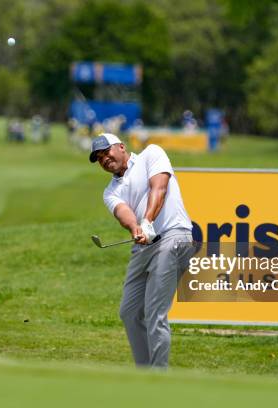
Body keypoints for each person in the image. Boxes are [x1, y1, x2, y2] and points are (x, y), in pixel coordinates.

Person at [89, 133, 195, 368]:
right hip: (144, 245)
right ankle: (145, 373)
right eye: (98, 158)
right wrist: (136, 227)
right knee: (129, 311)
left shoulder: (151, 154)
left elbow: (160, 187)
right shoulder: (110, 191)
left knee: (154, 312)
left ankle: (157, 380)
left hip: (174, 236)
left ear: (121, 147)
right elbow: (123, 212)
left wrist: (147, 220)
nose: (104, 158)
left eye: (106, 152)